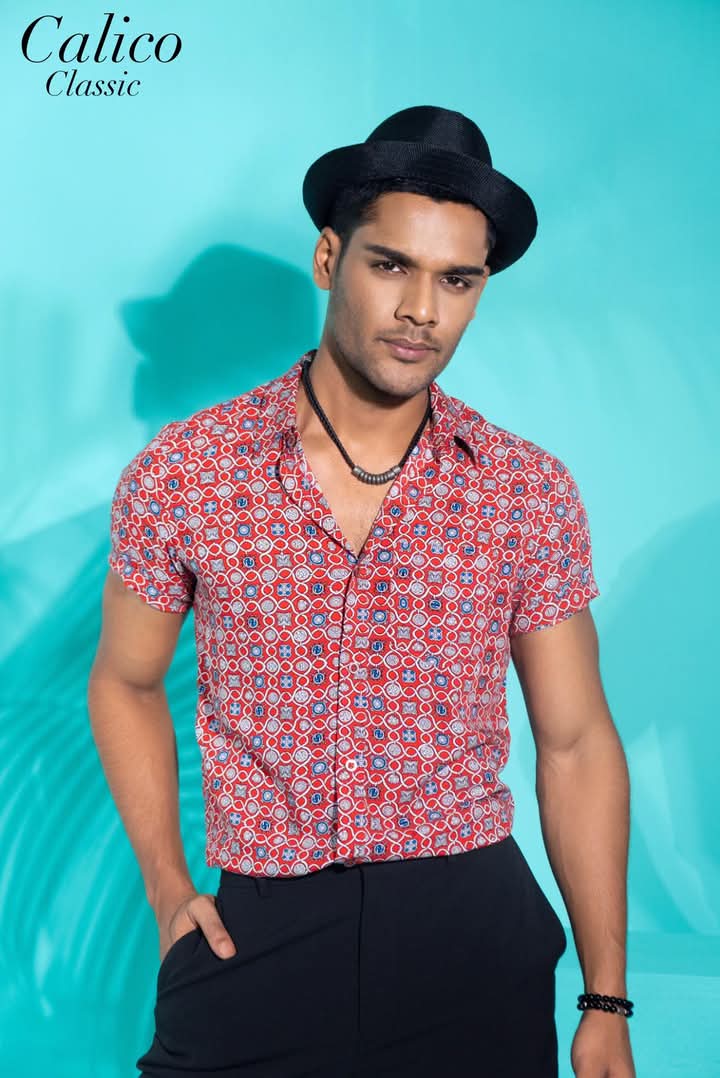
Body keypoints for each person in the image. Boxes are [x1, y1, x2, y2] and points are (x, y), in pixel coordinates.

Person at [88, 105, 636, 1077]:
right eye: (392, 265)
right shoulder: (186, 472)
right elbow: (124, 681)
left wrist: (605, 997)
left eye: (457, 279)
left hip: (470, 934)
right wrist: (169, 885)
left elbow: (577, 740)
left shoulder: (524, 489)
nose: (422, 309)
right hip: (258, 930)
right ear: (329, 258)